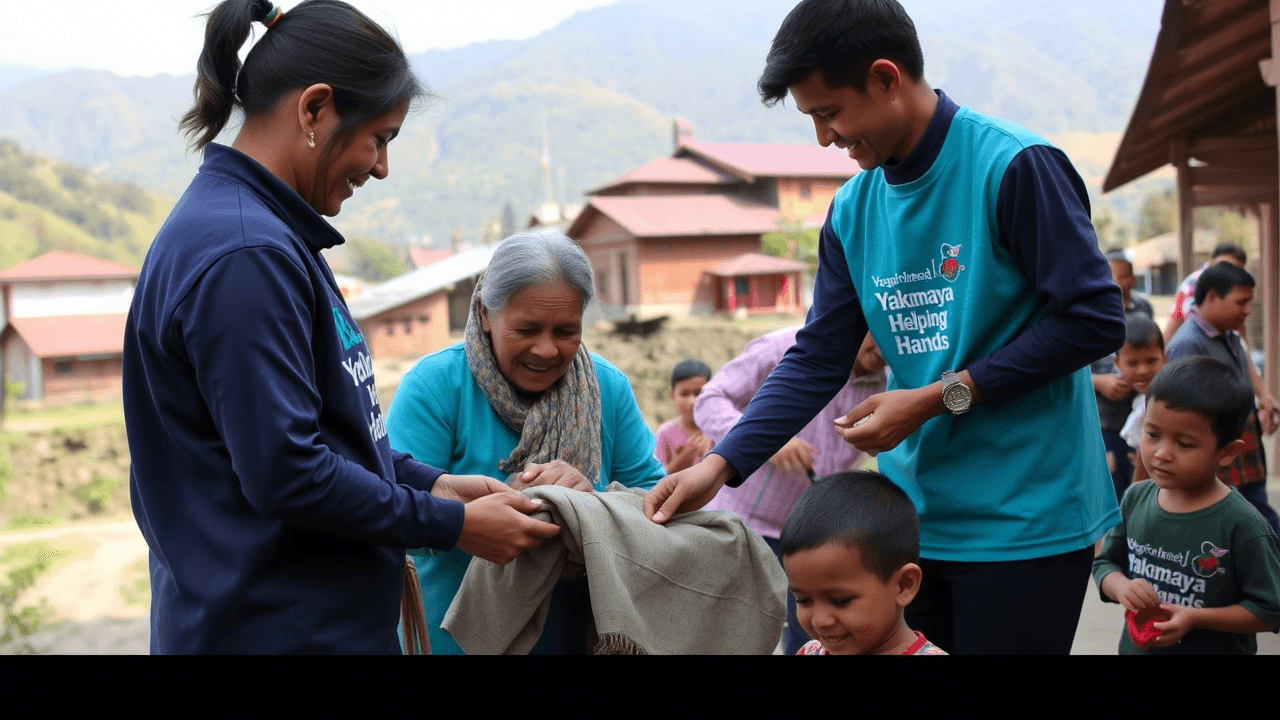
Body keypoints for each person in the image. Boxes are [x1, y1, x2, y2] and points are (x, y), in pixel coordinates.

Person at [645, 0, 1126, 655]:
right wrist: (722, 465)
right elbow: (818, 357)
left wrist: (936, 397)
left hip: (1026, 522)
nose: (824, 139)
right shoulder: (852, 209)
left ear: (884, 77)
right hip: (907, 530)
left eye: (829, 113)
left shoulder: (1014, 165)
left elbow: (1095, 321)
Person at [123, 0, 560, 654]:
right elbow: (288, 471)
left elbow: (326, 430)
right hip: (275, 633)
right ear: (315, 109)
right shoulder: (247, 257)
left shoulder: (271, 235)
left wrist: (428, 482)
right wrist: (451, 523)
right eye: (379, 138)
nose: (380, 166)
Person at [386, 230, 668, 654]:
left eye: (566, 331)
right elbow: (391, 514)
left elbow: (655, 507)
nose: (547, 349)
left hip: (577, 638)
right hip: (456, 641)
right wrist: (474, 520)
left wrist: (590, 505)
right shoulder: (435, 388)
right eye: (527, 329)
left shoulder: (607, 389)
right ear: (485, 314)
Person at [696, 327, 886, 654]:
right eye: (877, 331)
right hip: (738, 526)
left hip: (810, 535)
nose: (885, 348)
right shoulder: (784, 347)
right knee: (728, 637)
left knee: (813, 639)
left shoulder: (888, 383)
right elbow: (710, 400)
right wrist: (764, 441)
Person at [1093, 357, 1280, 654]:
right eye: (1152, 434)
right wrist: (1121, 587)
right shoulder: (1134, 499)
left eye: (1185, 444)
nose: (1162, 453)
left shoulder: (1243, 525)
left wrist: (1195, 618)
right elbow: (1105, 564)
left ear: (1228, 452)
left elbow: (1269, 610)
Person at [1167, 263, 1279, 535]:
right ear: (1213, 297)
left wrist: (1263, 397)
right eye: (1241, 302)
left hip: (1242, 447)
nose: (1247, 310)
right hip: (1218, 454)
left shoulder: (1229, 336)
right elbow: (1184, 415)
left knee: (1254, 517)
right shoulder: (1187, 343)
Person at [782, 471, 946, 655]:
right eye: (803, 600)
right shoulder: (811, 652)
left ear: (903, 585)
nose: (820, 620)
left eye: (840, 601)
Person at [1091, 249, 1156, 500]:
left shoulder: (1143, 308)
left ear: (1133, 279)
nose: (1117, 282)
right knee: (1113, 484)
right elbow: (1071, 364)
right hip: (1106, 416)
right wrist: (1098, 382)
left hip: (1137, 408)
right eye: (1111, 275)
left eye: (1123, 276)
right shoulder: (1092, 312)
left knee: (1139, 483)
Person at [1116, 314, 1167, 487]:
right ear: (1117, 363)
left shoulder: (1151, 407)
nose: (1143, 370)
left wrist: (1134, 507)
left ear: (1164, 357)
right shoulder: (1141, 402)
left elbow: (1141, 468)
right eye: (1132, 363)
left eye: (1151, 360)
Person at [1163, 243, 1247, 344]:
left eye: (1234, 270)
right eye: (1224, 266)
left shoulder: (1236, 288)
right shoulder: (1192, 285)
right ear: (1212, 262)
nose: (1227, 273)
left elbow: (1240, 328)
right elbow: (1174, 322)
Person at [654, 359, 714, 474]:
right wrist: (679, 463)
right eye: (684, 394)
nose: (692, 401)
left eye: (698, 393)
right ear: (672, 395)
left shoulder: (718, 429)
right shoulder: (665, 433)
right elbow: (654, 479)